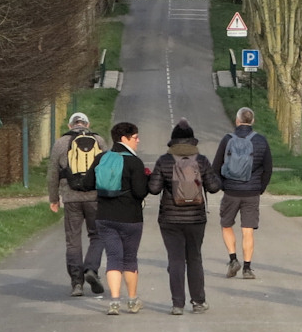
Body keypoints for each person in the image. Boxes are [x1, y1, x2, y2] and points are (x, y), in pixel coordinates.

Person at [146, 119, 223, 314]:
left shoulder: (164, 160)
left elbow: (153, 189)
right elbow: (214, 187)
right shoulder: (201, 160)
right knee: (194, 258)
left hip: (170, 219)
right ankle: (198, 301)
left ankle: (177, 304)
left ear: (173, 140)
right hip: (196, 219)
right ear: (192, 140)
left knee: (175, 260)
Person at [47, 111, 106, 297]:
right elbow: (107, 168)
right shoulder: (99, 140)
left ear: (70, 126)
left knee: (72, 239)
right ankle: (91, 269)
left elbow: (52, 174)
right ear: (87, 124)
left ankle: (76, 283)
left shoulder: (60, 143)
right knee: (97, 235)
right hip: (95, 197)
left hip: (71, 197)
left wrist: (54, 198)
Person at [95, 121, 149, 315]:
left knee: (113, 258)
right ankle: (132, 300)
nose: (138, 141)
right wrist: (147, 179)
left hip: (104, 216)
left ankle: (114, 302)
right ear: (124, 138)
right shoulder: (134, 162)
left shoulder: (101, 158)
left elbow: (88, 182)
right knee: (129, 259)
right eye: (135, 137)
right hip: (130, 218)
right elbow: (140, 192)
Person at [213, 106, 272, 279]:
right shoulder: (261, 140)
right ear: (252, 121)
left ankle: (233, 259)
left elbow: (215, 167)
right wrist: (260, 187)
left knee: (226, 225)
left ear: (237, 120)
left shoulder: (227, 139)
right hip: (252, 192)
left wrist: (223, 185)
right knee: (248, 230)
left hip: (231, 190)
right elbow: (268, 168)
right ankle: (247, 268)